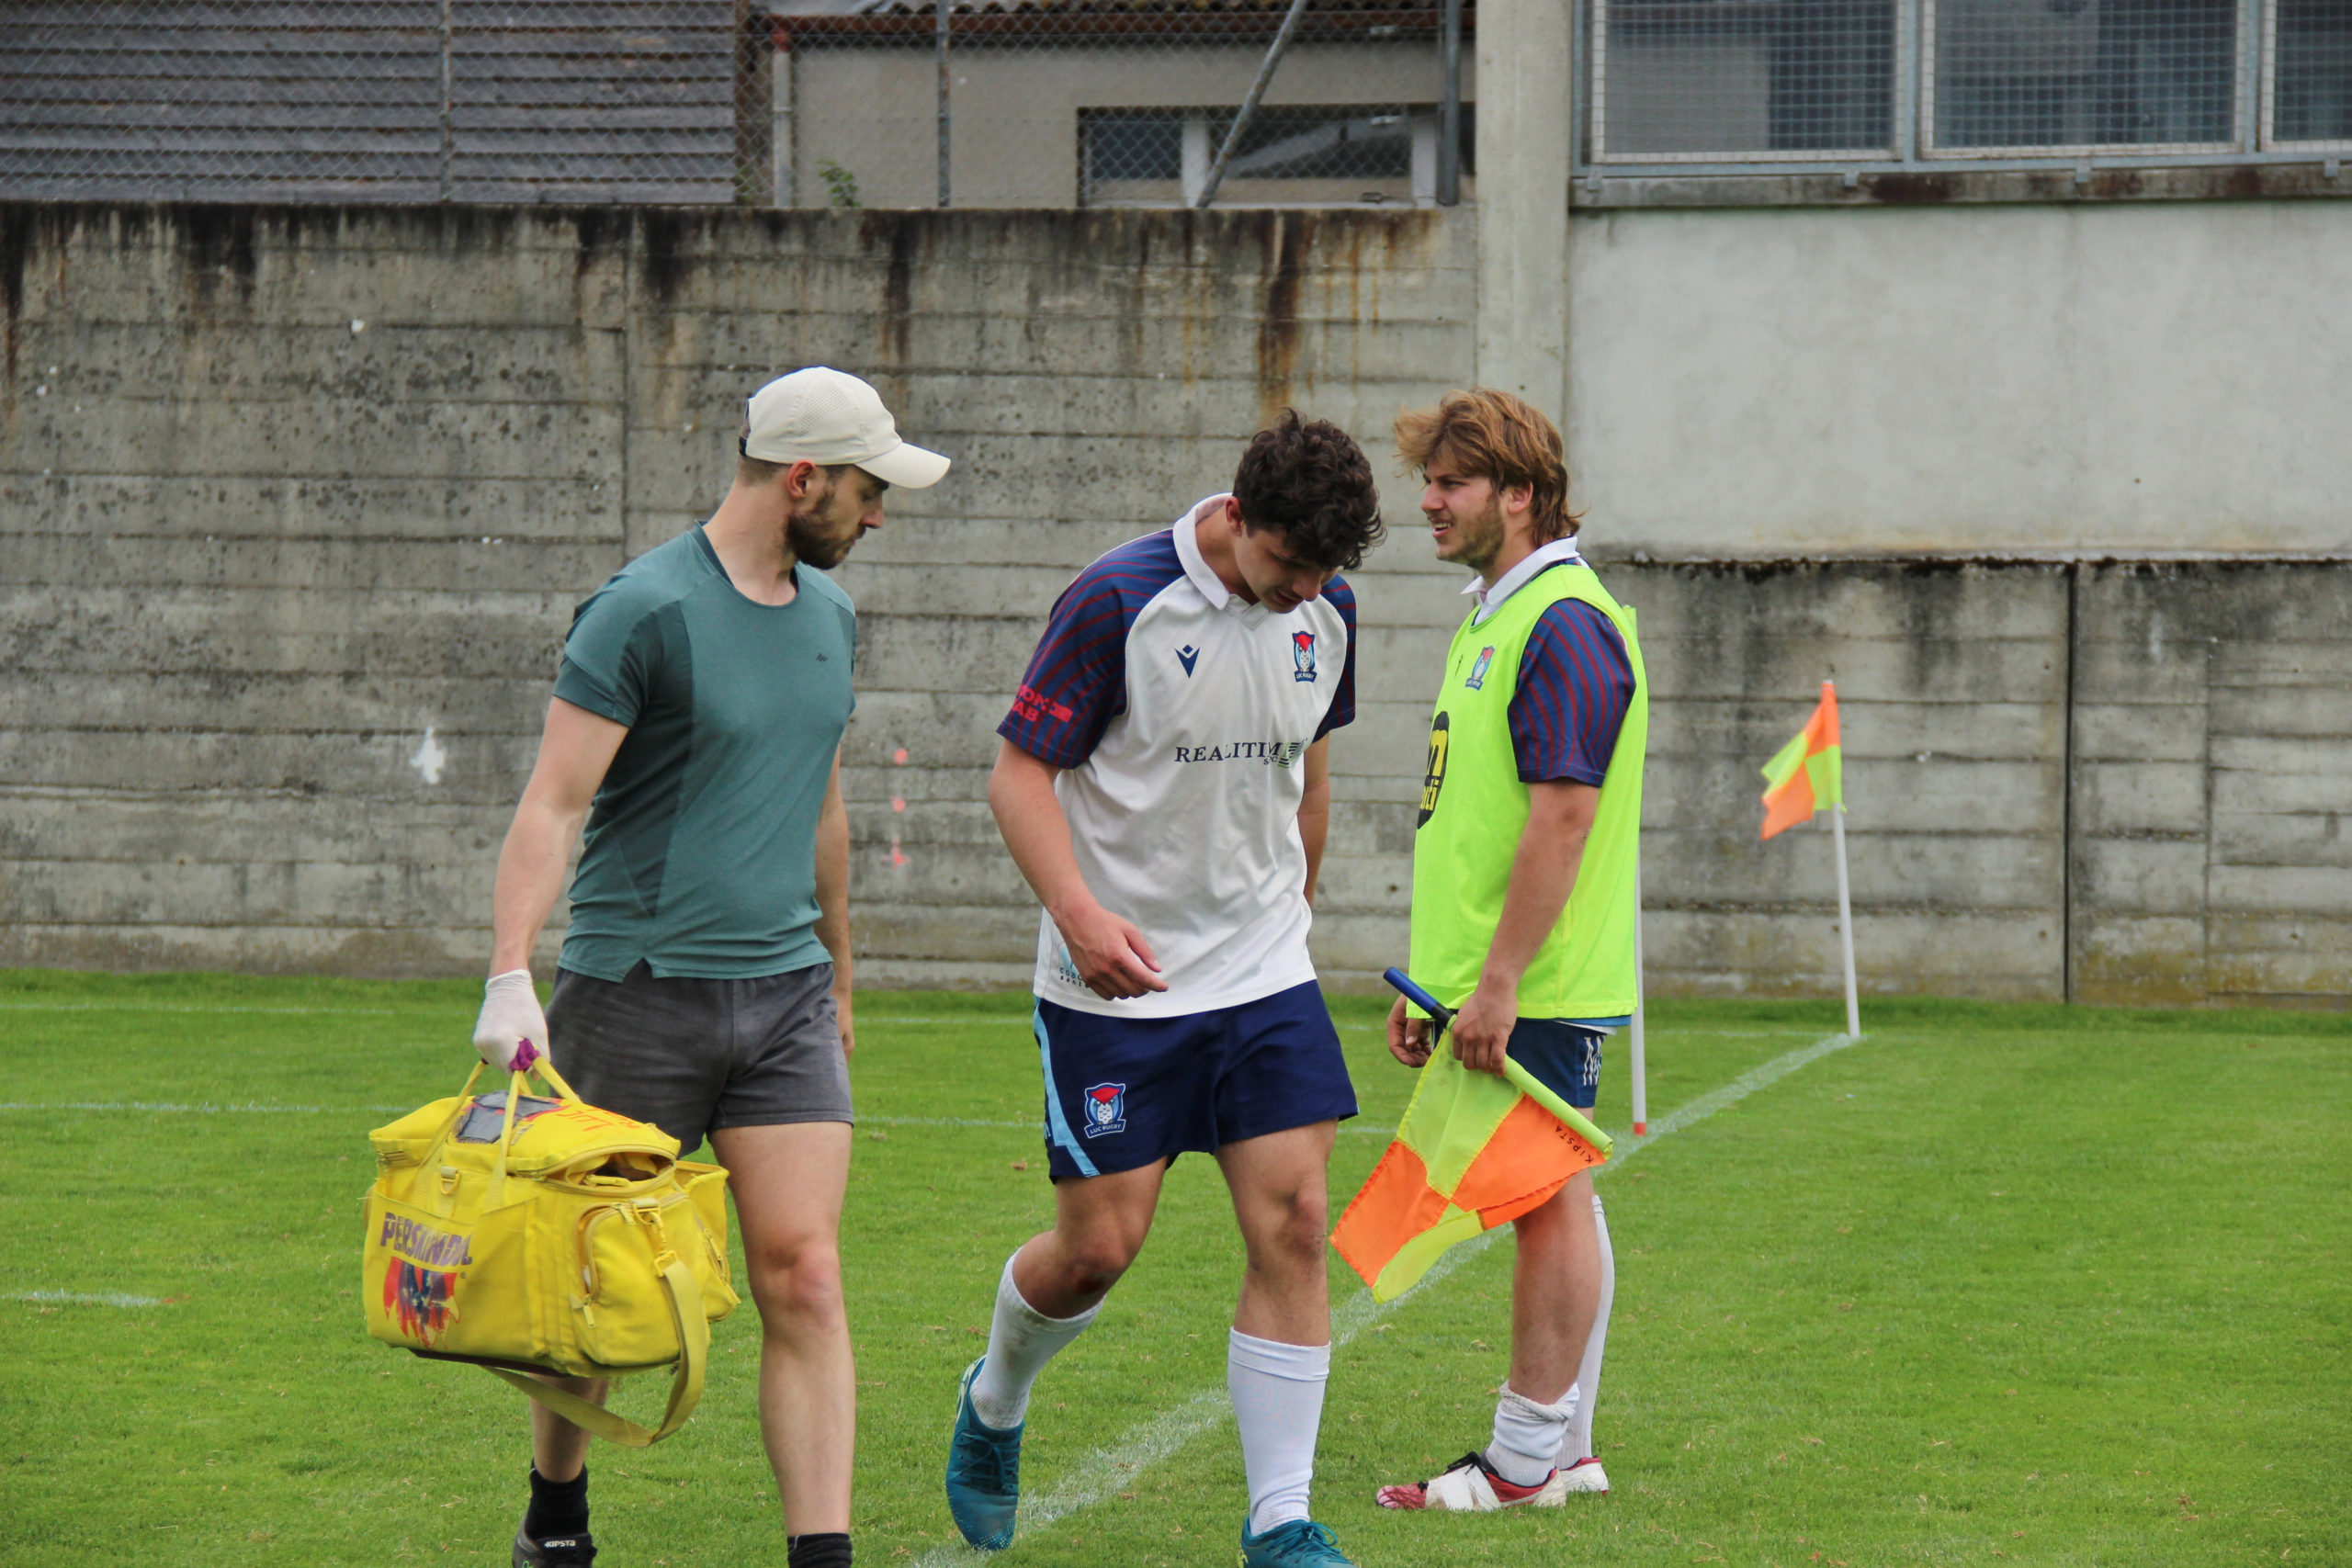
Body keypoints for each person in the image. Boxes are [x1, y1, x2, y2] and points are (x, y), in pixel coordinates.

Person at [469, 367, 949, 1568]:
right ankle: (556, 1512)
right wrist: (509, 971)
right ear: (804, 479)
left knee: (806, 1272)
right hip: (635, 992)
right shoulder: (642, 611)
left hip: (784, 997)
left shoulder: (831, 616)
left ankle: (821, 1554)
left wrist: (840, 970)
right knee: (594, 1294)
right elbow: (553, 802)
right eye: (870, 491)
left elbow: (822, 802)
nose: (879, 516)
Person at [944, 412, 1385, 1568]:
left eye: (1324, 572)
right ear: (1238, 517)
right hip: (1118, 985)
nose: (1303, 591)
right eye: (1288, 562)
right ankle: (995, 1398)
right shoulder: (1117, 600)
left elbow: (1309, 771)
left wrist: (1294, 918)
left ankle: (1280, 1521)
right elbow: (1018, 777)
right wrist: (1079, 917)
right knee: (1097, 1249)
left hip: (1262, 974)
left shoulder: (1327, 611)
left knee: (1295, 1222)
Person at [1372, 389, 1645, 1514]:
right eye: (1428, 483)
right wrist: (1438, 984)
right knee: (1560, 1198)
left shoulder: (1563, 619)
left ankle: (1524, 1462)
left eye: (1452, 484)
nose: (1428, 503)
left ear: (1520, 495)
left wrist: (1496, 985)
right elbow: (1472, 820)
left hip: (1536, 983)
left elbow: (1562, 818)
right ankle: (1563, 1450)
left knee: (1547, 1202)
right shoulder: (1497, 613)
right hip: (1493, 983)